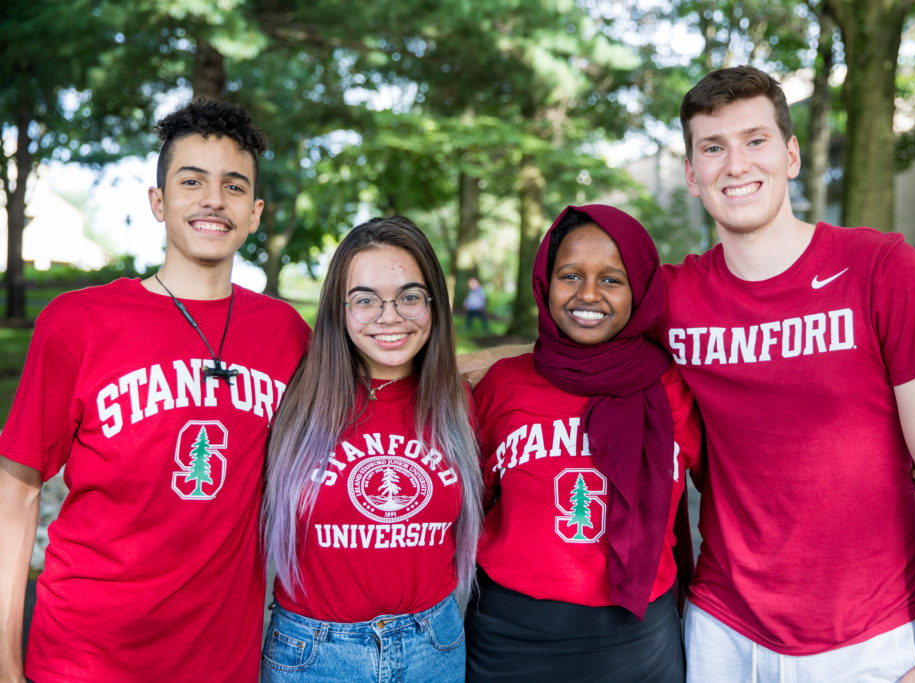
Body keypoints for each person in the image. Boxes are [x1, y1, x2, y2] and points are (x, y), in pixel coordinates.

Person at [666, 66, 915, 681]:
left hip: (874, 635)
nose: (736, 164)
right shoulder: (673, 298)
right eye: (713, 148)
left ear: (791, 155)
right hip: (723, 632)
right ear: (692, 176)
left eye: (755, 141)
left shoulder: (884, 270)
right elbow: (570, 347)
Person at [0, 99, 310, 681]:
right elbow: (14, 491)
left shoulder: (286, 334)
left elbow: (383, 380)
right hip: (83, 657)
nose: (213, 200)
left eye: (234, 187)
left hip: (221, 661)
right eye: (191, 181)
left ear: (255, 213)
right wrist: (4, 662)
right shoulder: (77, 322)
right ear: (157, 202)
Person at [465, 205, 702, 681]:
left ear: (640, 289)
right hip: (511, 637)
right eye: (570, 275)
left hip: (638, 639)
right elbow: (470, 502)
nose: (588, 294)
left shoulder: (675, 388)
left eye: (612, 279)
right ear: (544, 283)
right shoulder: (502, 386)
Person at [260, 216, 482, 682]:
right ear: (338, 310)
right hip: (313, 654)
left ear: (434, 305)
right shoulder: (294, 394)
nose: (389, 316)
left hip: (433, 648)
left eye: (409, 297)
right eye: (365, 300)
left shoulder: (458, 403)